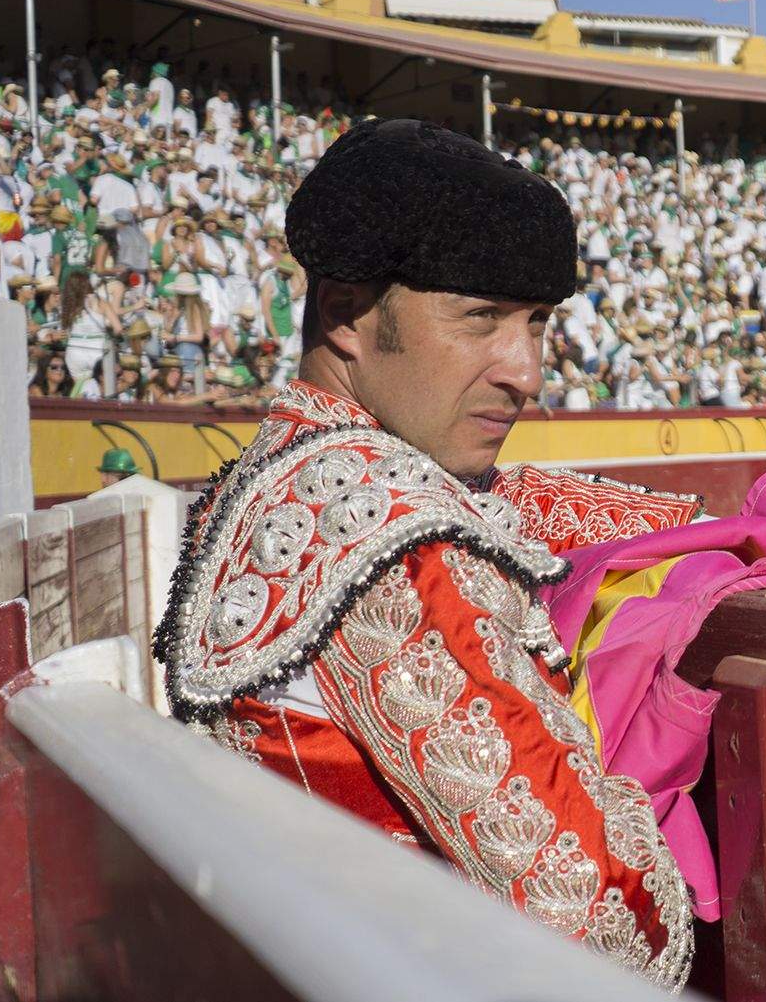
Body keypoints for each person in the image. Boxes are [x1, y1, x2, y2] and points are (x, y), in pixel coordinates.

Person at [151, 118, 699, 987]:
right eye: (479, 318)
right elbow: (607, 917)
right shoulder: (392, 537)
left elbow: (533, 506)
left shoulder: (274, 474)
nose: (527, 370)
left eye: (539, 322)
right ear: (346, 316)